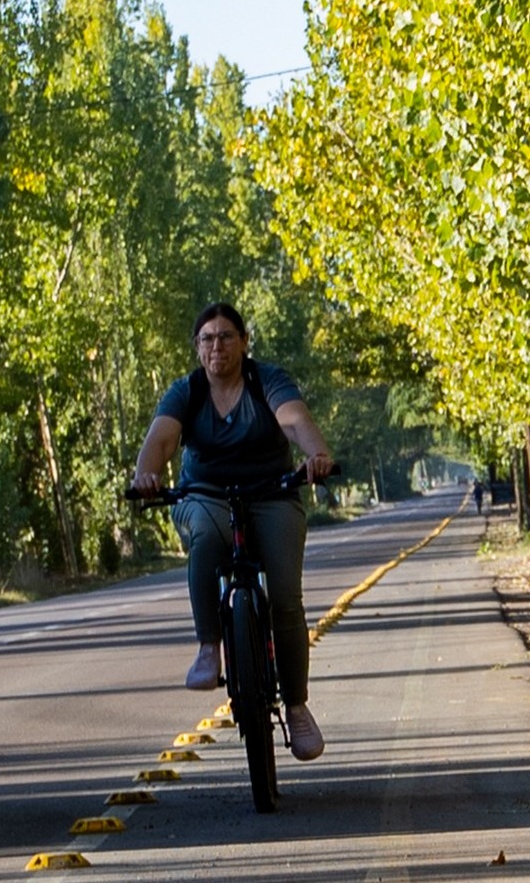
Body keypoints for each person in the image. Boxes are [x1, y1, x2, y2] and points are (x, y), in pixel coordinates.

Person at [129, 303, 334, 762]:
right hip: (205, 495)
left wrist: (316, 455)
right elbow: (161, 440)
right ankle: (209, 647)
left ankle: (297, 706)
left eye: (226, 337)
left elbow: (294, 419)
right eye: (207, 339)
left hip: (271, 493)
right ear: (197, 348)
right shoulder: (187, 391)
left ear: (244, 342)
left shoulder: (267, 381)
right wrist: (147, 475)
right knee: (206, 533)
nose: (216, 346)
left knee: (285, 597)